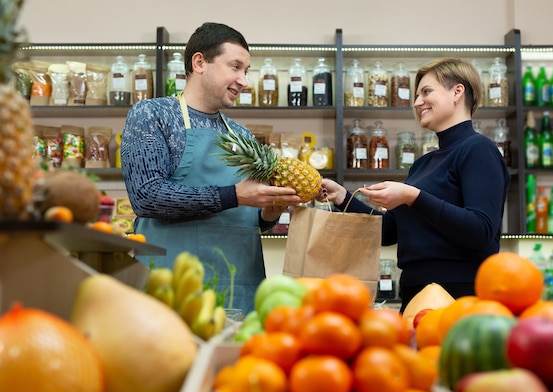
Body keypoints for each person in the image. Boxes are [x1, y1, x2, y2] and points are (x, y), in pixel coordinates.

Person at [121, 22, 300, 313]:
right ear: (200, 62)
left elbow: (250, 219)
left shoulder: (240, 135)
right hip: (170, 290)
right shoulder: (153, 114)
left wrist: (271, 209)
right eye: (235, 67)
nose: (243, 80)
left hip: (238, 289)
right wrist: (236, 195)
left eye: (246, 71)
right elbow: (147, 196)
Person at [318, 58, 510, 312]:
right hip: (413, 293)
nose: (417, 102)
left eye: (426, 92)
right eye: (417, 95)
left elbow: (481, 231)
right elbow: (389, 231)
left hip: (461, 294)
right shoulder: (422, 165)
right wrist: (343, 196)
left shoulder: (479, 149)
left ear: (457, 92)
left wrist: (413, 196)